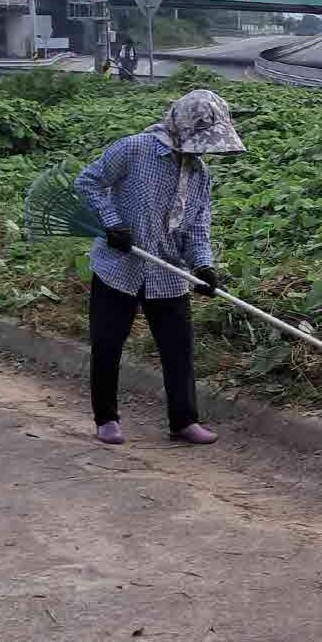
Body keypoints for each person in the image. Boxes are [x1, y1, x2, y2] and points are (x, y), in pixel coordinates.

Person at [74, 89, 244, 446]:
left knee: (178, 346)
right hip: (118, 265)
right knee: (108, 343)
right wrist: (111, 222)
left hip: (167, 270)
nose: (202, 149)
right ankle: (106, 418)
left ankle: (183, 421)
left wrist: (202, 266)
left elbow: (198, 225)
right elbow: (88, 182)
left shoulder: (199, 174)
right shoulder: (134, 149)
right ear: (182, 126)